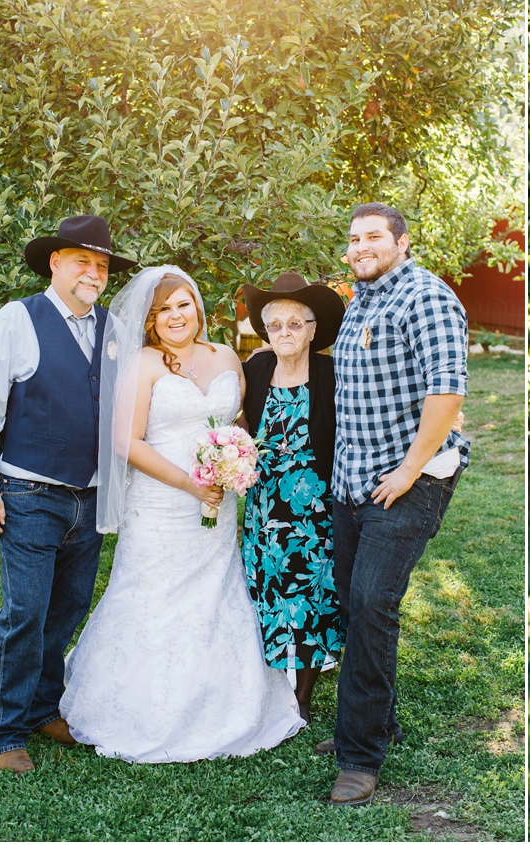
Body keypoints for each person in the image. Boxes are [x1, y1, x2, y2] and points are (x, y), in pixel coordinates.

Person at [60, 266, 307, 762]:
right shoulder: (145, 364)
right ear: (150, 320)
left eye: (183, 304)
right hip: (160, 504)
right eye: (163, 310)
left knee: (215, 591)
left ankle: (223, 704)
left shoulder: (225, 356)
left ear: (198, 307)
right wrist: (191, 484)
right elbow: (126, 442)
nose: (176, 316)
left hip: (219, 503)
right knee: (152, 592)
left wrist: (237, 466)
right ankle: (139, 709)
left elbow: (241, 425)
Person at [0, 215, 136, 773]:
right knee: (25, 612)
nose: (93, 272)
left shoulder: (113, 328)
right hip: (28, 492)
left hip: (89, 498)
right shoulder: (18, 319)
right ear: (55, 263)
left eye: (102, 265)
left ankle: (42, 708)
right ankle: (5, 729)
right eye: (81, 261)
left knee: (66, 610)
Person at [322, 203, 471, 807]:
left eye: (374, 237)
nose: (361, 246)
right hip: (355, 480)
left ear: (402, 242)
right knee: (351, 600)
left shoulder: (425, 296)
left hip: (409, 479)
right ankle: (376, 720)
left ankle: (360, 757)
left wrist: (409, 469)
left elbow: (448, 388)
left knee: (371, 601)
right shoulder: (361, 299)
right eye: (354, 238)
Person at [240, 272, 346, 723]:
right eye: (276, 325)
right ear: (265, 332)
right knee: (265, 590)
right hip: (264, 508)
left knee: (311, 596)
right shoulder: (256, 369)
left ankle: (301, 695)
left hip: (314, 509)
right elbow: (239, 422)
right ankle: (270, 681)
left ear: (312, 328)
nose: (284, 332)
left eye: (295, 323)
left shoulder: (332, 372)